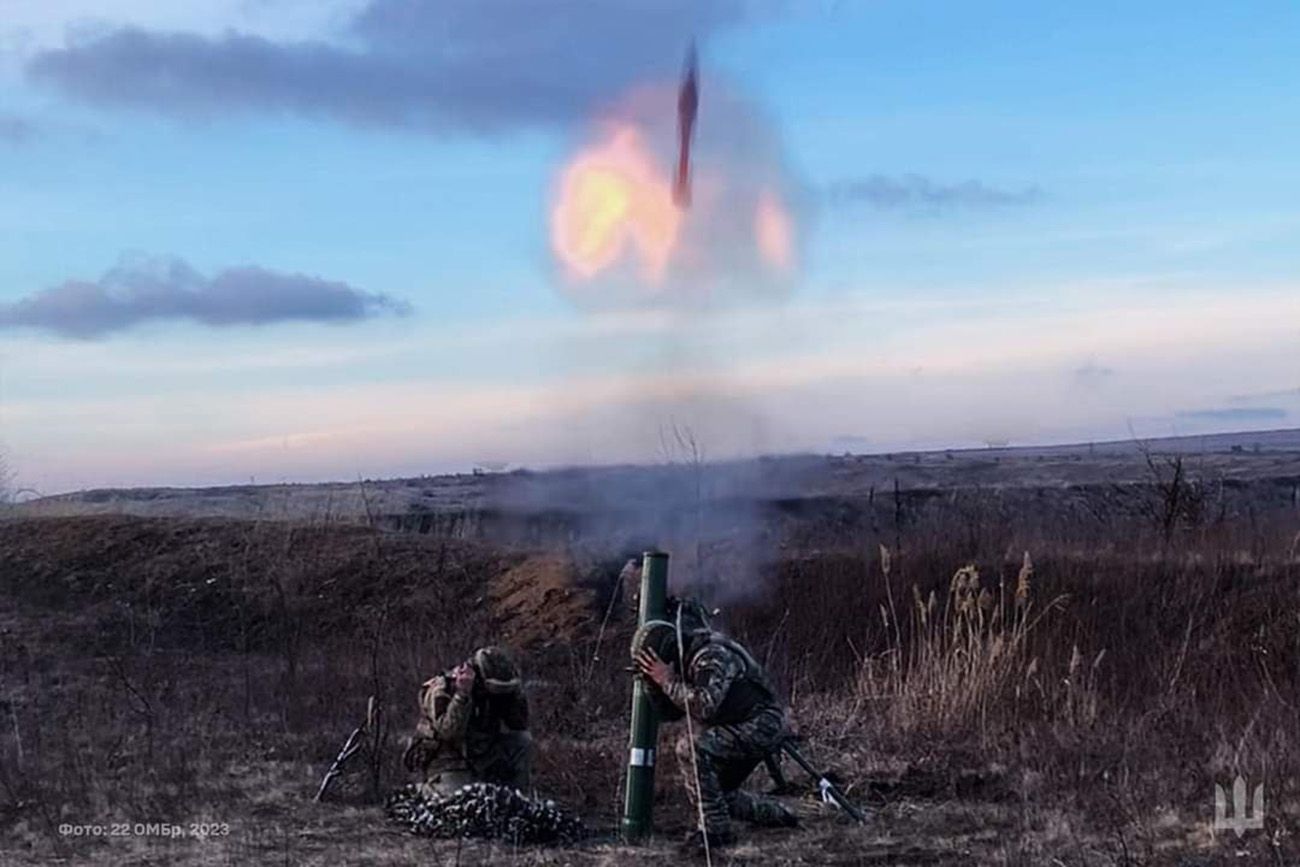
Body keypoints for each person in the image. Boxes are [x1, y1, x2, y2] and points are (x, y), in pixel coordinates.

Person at [635, 599, 798, 851]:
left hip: (762, 723)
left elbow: (704, 705)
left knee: (690, 747)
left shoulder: (711, 655)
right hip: (743, 723)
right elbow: (671, 714)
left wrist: (666, 680)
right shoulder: (690, 657)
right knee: (720, 796)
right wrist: (653, 684)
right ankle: (780, 815)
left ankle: (715, 832)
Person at [402, 646, 532, 796]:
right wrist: (462, 695)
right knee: (460, 798)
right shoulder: (443, 689)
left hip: (483, 752)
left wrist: (515, 696)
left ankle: (517, 797)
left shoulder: (497, 692)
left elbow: (518, 724)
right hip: (449, 758)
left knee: (522, 741)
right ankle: (424, 791)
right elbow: (448, 731)